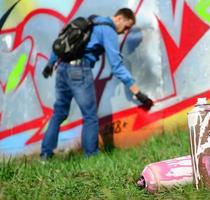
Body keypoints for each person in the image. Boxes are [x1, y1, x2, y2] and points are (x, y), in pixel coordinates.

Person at [40, 8, 153, 159]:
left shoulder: (90, 21)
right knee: (90, 116)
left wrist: (50, 63)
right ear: (119, 18)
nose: (125, 32)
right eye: (126, 26)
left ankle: (45, 155)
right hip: (79, 71)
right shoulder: (108, 31)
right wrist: (137, 92)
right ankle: (91, 155)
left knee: (59, 113)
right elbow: (117, 66)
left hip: (62, 69)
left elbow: (62, 41)